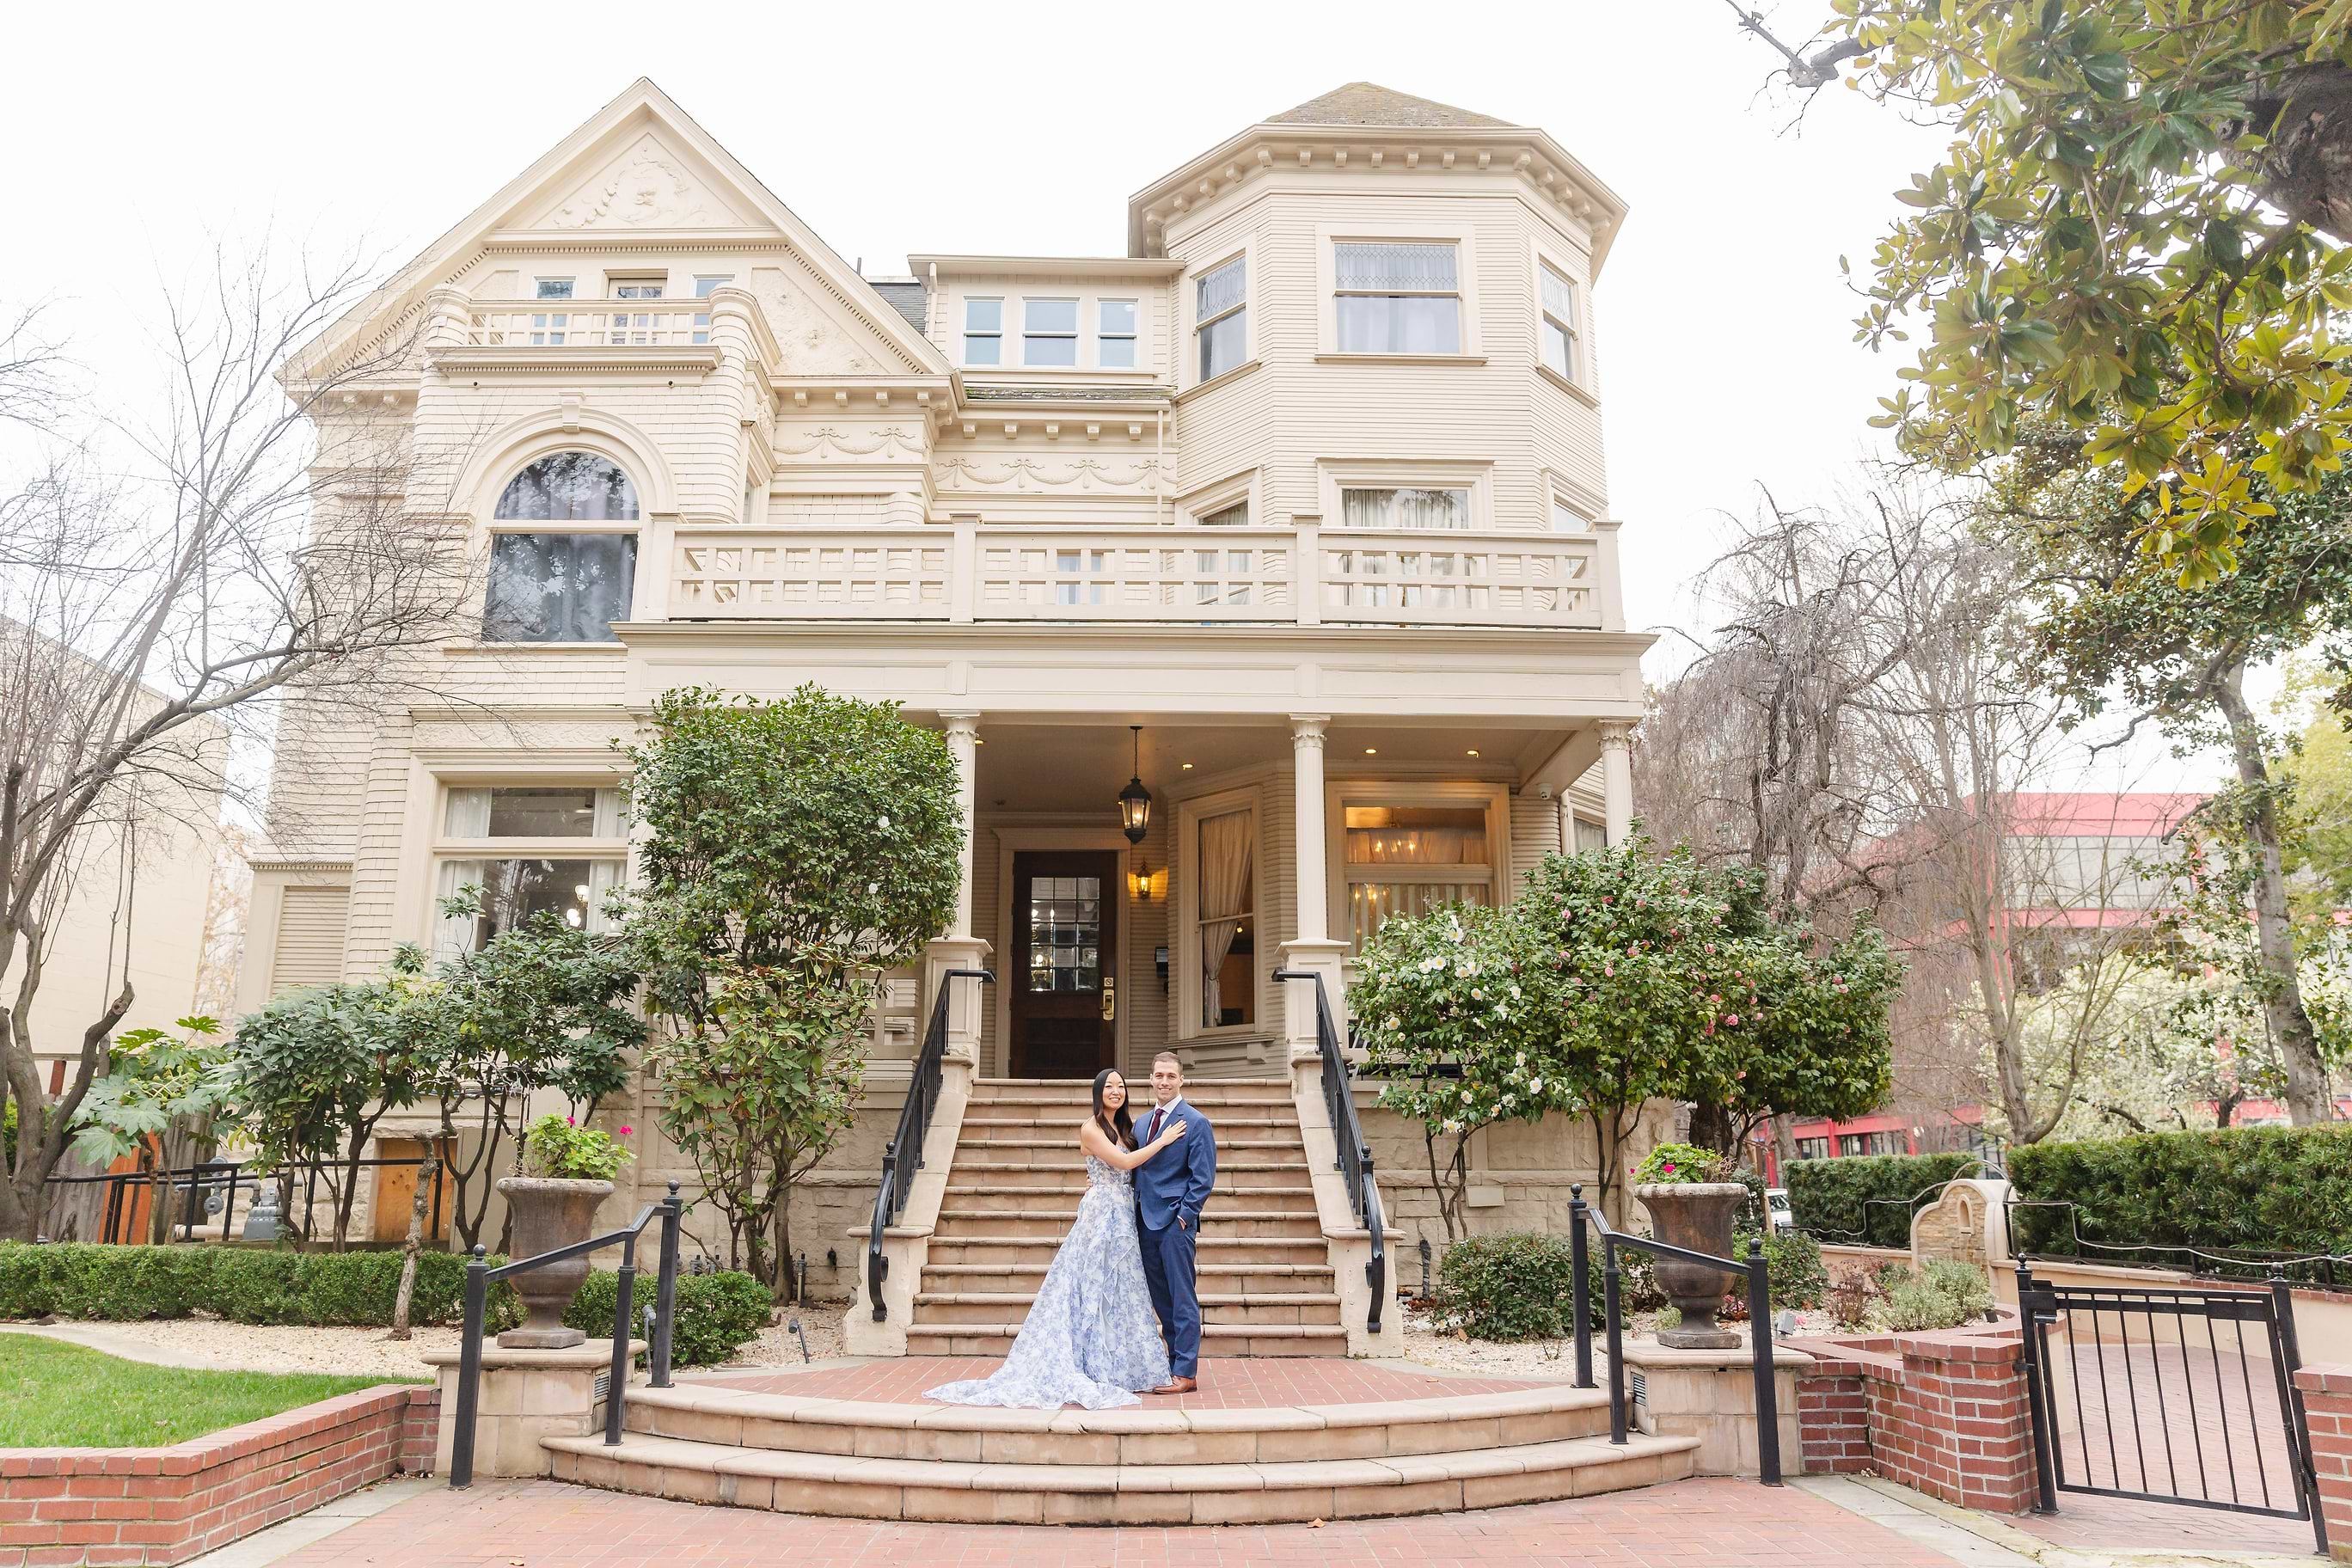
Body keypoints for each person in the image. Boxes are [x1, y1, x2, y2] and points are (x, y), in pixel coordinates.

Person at [922, 1068, 1185, 1410]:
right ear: (1098, 1092)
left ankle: (1120, 1364)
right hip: (1101, 1216)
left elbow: (1127, 1170)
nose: (1116, 1092)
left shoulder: (1126, 1127)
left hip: (1123, 1214)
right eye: (1109, 1087)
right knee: (1090, 1284)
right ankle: (1088, 1361)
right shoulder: (1090, 1128)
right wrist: (1162, 1141)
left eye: (1121, 1086)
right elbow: (1121, 1161)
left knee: (1120, 1287)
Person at [1132, 1050, 1217, 1395]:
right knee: (1161, 1298)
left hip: (1174, 1225)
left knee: (1182, 1297)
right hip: (1143, 1223)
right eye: (1158, 1076)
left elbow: (1203, 1178)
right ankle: (1171, 1365)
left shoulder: (1195, 1122)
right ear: (1151, 1080)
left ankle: (1186, 1372)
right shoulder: (1140, 1123)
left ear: (1181, 1079)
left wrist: (1184, 1217)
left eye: (1170, 1076)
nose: (1164, 1082)